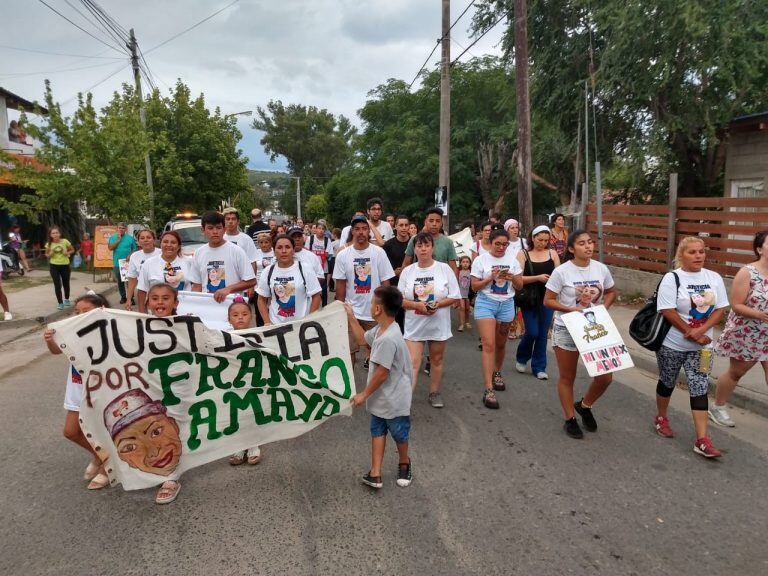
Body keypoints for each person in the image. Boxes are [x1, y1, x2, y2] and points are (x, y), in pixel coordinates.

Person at [648, 237, 729, 458]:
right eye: (692, 252)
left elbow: (720, 309)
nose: (698, 256)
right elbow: (667, 310)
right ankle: (662, 417)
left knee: (699, 385)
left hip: (703, 347)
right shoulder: (672, 278)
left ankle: (702, 439)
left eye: (701, 252)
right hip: (672, 345)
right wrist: (690, 332)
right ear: (681, 255)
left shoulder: (713, 277)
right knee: (667, 380)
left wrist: (701, 332)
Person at [544, 230, 616, 439]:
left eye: (590, 242)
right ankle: (570, 419)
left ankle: (584, 405)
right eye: (582, 243)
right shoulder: (562, 272)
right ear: (571, 249)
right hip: (566, 327)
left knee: (605, 376)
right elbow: (548, 300)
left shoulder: (601, 269)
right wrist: (571, 310)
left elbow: (611, 291)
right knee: (568, 377)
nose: (588, 246)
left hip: (594, 328)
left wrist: (603, 309)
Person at [347, 286, 413, 489]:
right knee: (377, 430)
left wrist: (363, 395)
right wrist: (350, 316)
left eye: (372, 302)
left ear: (377, 310)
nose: (370, 306)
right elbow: (362, 339)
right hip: (381, 397)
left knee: (399, 433)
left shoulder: (387, 339)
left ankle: (404, 462)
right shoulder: (381, 329)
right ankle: (375, 472)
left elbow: (383, 373)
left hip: (394, 399)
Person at [43, 292, 110, 489]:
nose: (80, 315)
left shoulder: (110, 330)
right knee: (71, 432)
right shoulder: (71, 331)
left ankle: (108, 465)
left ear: (101, 311)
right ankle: (103, 457)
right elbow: (57, 350)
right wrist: (49, 340)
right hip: (77, 389)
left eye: (86, 311)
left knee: (104, 430)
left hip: (103, 390)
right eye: (77, 312)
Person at [710, 230, 768, 427]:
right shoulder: (747, 272)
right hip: (747, 332)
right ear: (760, 249)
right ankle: (717, 407)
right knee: (736, 373)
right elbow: (736, 305)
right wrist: (760, 314)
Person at [398, 232, 460, 408]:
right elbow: (400, 300)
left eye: (427, 245)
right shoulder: (408, 271)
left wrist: (437, 304)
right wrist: (418, 306)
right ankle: (405, 401)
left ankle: (434, 392)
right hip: (414, 326)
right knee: (412, 363)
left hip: (438, 324)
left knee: (437, 359)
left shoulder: (444, 269)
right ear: (414, 249)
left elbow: (454, 296)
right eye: (419, 246)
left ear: (433, 248)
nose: (423, 249)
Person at [141, 283, 185, 503]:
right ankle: (166, 470)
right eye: (155, 298)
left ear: (175, 303)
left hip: (178, 390)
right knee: (155, 428)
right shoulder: (137, 327)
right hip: (150, 389)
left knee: (174, 428)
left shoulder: (185, 326)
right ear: (148, 302)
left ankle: (171, 477)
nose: (160, 303)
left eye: (165, 298)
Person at [471, 228, 524, 409]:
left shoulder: (513, 260)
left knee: (501, 344)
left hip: (507, 303)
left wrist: (511, 278)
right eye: (497, 244)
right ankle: (488, 389)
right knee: (489, 344)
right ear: (491, 243)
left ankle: (497, 372)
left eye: (504, 244)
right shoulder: (481, 260)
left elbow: (520, 285)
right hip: (486, 303)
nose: (501, 247)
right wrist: (489, 278)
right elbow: (474, 287)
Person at [333, 215, 395, 366]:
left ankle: (374, 388)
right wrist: (340, 309)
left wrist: (385, 308)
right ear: (352, 232)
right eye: (357, 229)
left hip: (374, 312)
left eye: (364, 229)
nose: (360, 232)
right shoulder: (343, 255)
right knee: (348, 355)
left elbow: (386, 282)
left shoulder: (379, 253)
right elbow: (340, 285)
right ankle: (351, 390)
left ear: (369, 232)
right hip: (351, 312)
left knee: (378, 356)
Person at [514, 225, 560, 380]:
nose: (543, 243)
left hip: (548, 298)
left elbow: (560, 276)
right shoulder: (523, 254)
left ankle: (539, 367)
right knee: (532, 331)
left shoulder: (553, 253)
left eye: (546, 240)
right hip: (529, 298)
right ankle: (521, 357)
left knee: (542, 334)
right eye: (540, 240)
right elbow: (517, 279)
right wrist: (538, 277)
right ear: (532, 238)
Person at [226, 298, 264, 466]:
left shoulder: (259, 336)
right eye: (235, 315)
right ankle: (239, 446)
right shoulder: (222, 337)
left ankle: (254, 445)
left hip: (253, 382)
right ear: (229, 319)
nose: (240, 318)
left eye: (244, 314)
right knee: (236, 414)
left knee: (252, 413)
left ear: (251, 316)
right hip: (233, 383)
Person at [189, 211, 256, 302]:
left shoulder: (236, 251)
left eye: (218, 228)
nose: (215, 232)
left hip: (232, 308)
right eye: (210, 228)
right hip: (207, 307)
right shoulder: (199, 253)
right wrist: (192, 306)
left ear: (224, 229)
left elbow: (251, 281)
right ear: (203, 230)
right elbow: (197, 285)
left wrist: (228, 289)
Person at [257, 234, 321, 325]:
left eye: (287, 247)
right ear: (274, 251)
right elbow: (261, 299)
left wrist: (310, 320)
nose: (284, 251)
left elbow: (316, 296)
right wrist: (267, 322)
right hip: (276, 326)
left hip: (301, 325)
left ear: (293, 250)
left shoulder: (305, 269)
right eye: (279, 247)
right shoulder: (267, 271)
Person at [136, 231, 194, 312]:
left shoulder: (189, 262)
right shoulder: (149, 263)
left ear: (178, 246)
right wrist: (141, 315)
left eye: (173, 242)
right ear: (161, 244)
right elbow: (142, 290)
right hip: (157, 312)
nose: (169, 245)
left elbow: (197, 286)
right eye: (165, 242)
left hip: (184, 311)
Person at [402, 208, 458, 274]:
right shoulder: (415, 239)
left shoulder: (448, 242)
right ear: (425, 222)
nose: (434, 224)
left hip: (440, 281)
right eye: (431, 221)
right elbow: (406, 264)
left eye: (437, 221)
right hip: (418, 280)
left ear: (441, 223)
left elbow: (453, 268)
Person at [383, 215, 411, 332]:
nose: (404, 228)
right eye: (401, 225)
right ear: (395, 227)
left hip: (411, 285)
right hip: (394, 285)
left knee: (411, 316)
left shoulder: (414, 243)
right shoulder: (388, 245)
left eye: (406, 225)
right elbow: (383, 265)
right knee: (397, 317)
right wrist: (393, 272)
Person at [124, 229, 160, 311]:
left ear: (154, 239)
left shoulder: (161, 254)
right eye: (142, 238)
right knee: (144, 318)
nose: (146, 240)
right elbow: (132, 279)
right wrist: (129, 299)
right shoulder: (134, 256)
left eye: (148, 237)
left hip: (161, 293)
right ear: (138, 241)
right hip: (143, 293)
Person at [45, 226, 75, 310]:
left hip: (65, 265)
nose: (55, 234)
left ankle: (66, 299)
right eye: (53, 233)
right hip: (54, 266)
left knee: (66, 283)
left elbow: (72, 250)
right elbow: (46, 254)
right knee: (57, 285)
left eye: (56, 233)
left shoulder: (65, 241)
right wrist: (49, 254)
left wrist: (67, 253)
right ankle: (60, 303)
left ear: (60, 234)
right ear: (50, 235)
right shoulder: (49, 244)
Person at [108, 223, 138, 304]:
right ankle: (123, 297)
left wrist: (130, 254)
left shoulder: (130, 238)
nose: (121, 229)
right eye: (120, 228)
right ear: (117, 228)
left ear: (126, 229)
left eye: (123, 228)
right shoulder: (113, 238)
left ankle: (131, 298)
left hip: (128, 263)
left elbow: (135, 249)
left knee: (129, 281)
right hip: (117, 263)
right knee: (120, 282)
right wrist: (118, 240)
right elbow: (110, 248)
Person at [305, 222, 334, 306]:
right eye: (319, 228)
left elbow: (329, 254)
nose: (321, 230)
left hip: (323, 267)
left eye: (323, 229)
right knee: (310, 287)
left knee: (324, 289)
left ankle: (324, 307)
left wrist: (320, 254)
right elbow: (306, 252)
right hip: (311, 268)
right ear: (315, 229)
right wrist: (318, 254)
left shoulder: (327, 240)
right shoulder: (310, 239)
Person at [223, 207, 259, 275]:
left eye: (233, 219)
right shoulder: (220, 238)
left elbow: (253, 262)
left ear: (238, 221)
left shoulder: (246, 239)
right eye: (228, 219)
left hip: (242, 279)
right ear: (224, 221)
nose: (230, 221)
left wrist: (251, 283)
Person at [457, 255, 472, 331]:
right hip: (460, 294)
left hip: (468, 294)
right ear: (460, 263)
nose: (465, 263)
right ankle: (461, 324)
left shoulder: (471, 272)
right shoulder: (458, 272)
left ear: (470, 264)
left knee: (467, 308)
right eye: (463, 262)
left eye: (467, 262)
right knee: (462, 308)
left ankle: (467, 322)